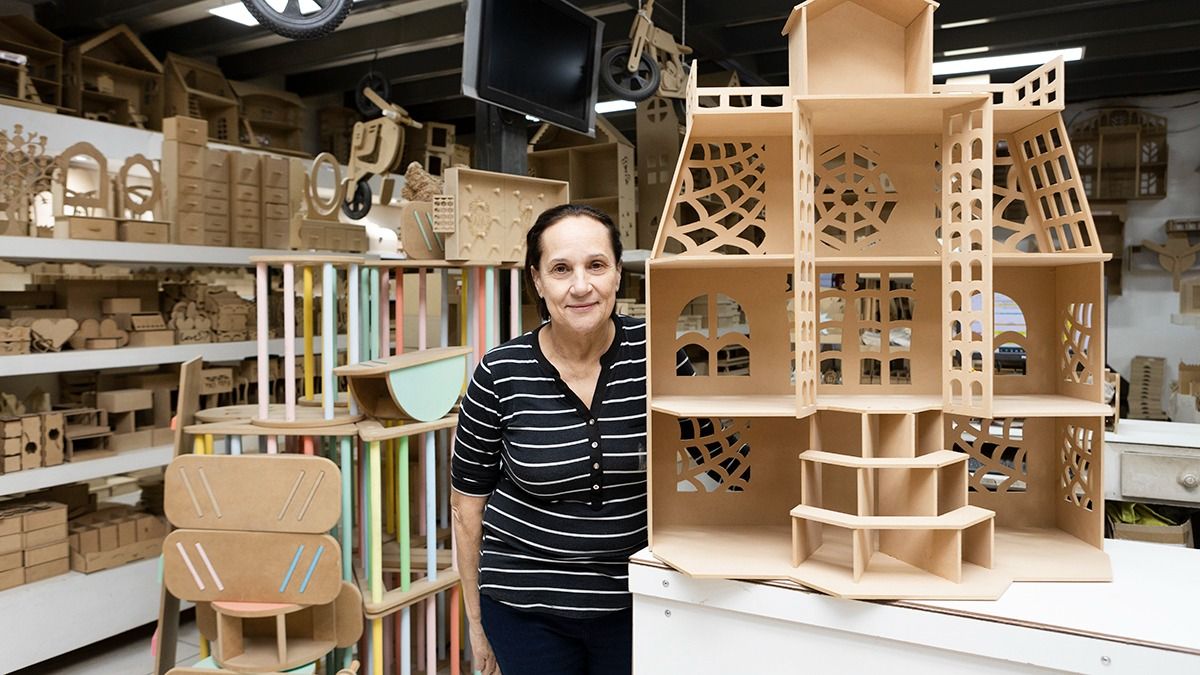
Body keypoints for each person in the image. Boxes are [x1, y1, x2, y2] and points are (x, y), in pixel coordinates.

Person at [451, 204, 692, 675]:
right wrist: (476, 623)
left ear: (618, 274)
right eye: (561, 269)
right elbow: (466, 509)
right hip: (525, 606)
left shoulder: (661, 355)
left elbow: (720, 463)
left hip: (640, 599)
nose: (581, 286)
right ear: (538, 281)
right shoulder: (499, 373)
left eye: (596, 265)